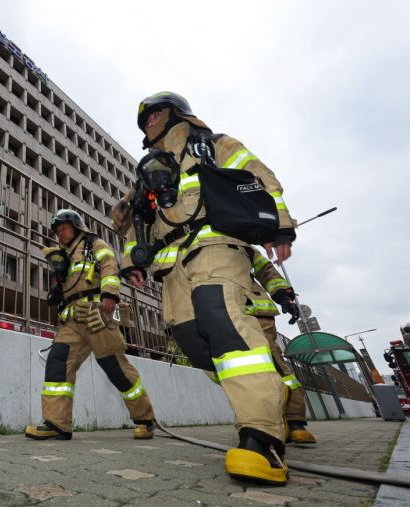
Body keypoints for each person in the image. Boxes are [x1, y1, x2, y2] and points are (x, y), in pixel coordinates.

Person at [119, 92, 297, 485]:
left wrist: (279, 224)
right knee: (195, 343)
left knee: (224, 323)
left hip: (215, 244)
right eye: (145, 119)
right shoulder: (147, 172)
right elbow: (133, 224)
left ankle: (262, 436)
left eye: (157, 114)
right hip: (171, 264)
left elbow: (260, 176)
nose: (151, 122)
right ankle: (268, 395)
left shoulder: (215, 146)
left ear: (177, 114)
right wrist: (132, 262)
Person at [25, 209, 157, 441]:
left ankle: (145, 420)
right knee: (57, 363)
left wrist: (109, 294)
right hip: (72, 319)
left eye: (63, 228)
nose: (60, 233)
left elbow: (109, 265)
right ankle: (57, 424)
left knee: (115, 367)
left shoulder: (93, 243)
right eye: (57, 231)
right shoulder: (63, 255)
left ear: (75, 225)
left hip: (98, 313)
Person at [249, 251, 316, 444]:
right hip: (222, 313)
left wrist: (283, 297)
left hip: (254, 309)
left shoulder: (238, 239)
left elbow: (265, 269)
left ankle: (295, 421)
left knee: (275, 363)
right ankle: (266, 422)